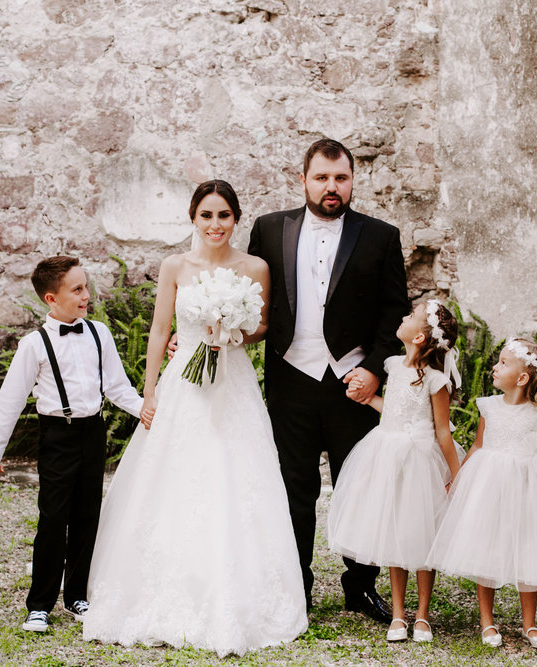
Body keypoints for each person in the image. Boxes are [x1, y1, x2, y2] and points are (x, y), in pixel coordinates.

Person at [81, 180, 308, 656]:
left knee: (237, 473)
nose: (215, 225)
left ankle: (239, 589)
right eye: (206, 215)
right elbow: (160, 329)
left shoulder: (255, 267)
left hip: (234, 383)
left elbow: (264, 325)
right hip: (184, 383)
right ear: (193, 219)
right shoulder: (175, 266)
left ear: (236, 219)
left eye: (224, 215)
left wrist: (233, 333)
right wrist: (148, 391)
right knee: (175, 476)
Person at [247, 137, 409, 622]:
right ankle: (297, 588)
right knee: (294, 489)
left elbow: (395, 315)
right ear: (303, 180)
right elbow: (249, 300)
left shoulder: (381, 236)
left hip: (352, 384)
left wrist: (374, 371)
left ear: (353, 179)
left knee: (358, 486)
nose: (331, 187)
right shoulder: (268, 229)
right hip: (290, 379)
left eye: (340, 177)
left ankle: (360, 587)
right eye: (321, 177)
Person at [0, 256, 144, 633]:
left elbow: (117, 387)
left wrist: (146, 411)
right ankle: (39, 604)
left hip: (93, 431)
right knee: (53, 518)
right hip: (58, 434)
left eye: (86, 287)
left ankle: (77, 595)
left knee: (88, 515)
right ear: (52, 299)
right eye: (78, 289)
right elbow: (9, 401)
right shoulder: (33, 344)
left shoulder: (99, 333)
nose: (87, 295)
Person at [427, 338, 537, 650]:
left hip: (530, 486)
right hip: (490, 483)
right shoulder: (488, 406)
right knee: (488, 546)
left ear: (522, 378)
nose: (494, 367)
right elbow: (478, 444)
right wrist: (459, 479)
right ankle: (487, 621)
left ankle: (530, 623)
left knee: (530, 547)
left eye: (502, 363)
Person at [328, 300, 462, 643]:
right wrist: (366, 399)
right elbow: (393, 412)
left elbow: (442, 432)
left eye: (410, 315)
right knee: (395, 532)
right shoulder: (392, 366)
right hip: (387, 454)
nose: (402, 316)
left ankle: (422, 615)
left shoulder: (435, 380)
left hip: (420, 460)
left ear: (418, 336)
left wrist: (457, 475)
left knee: (420, 534)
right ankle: (399, 614)